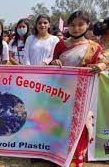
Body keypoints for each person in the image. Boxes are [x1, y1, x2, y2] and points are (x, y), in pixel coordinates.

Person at [50, 11, 104, 167]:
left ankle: (76, 159)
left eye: (80, 24)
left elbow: (104, 63)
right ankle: (58, 157)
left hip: (82, 94)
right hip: (60, 92)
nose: (76, 28)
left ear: (88, 25)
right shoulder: (61, 44)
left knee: (80, 125)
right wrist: (54, 63)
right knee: (60, 124)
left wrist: (101, 65)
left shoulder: (94, 47)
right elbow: (53, 61)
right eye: (73, 25)